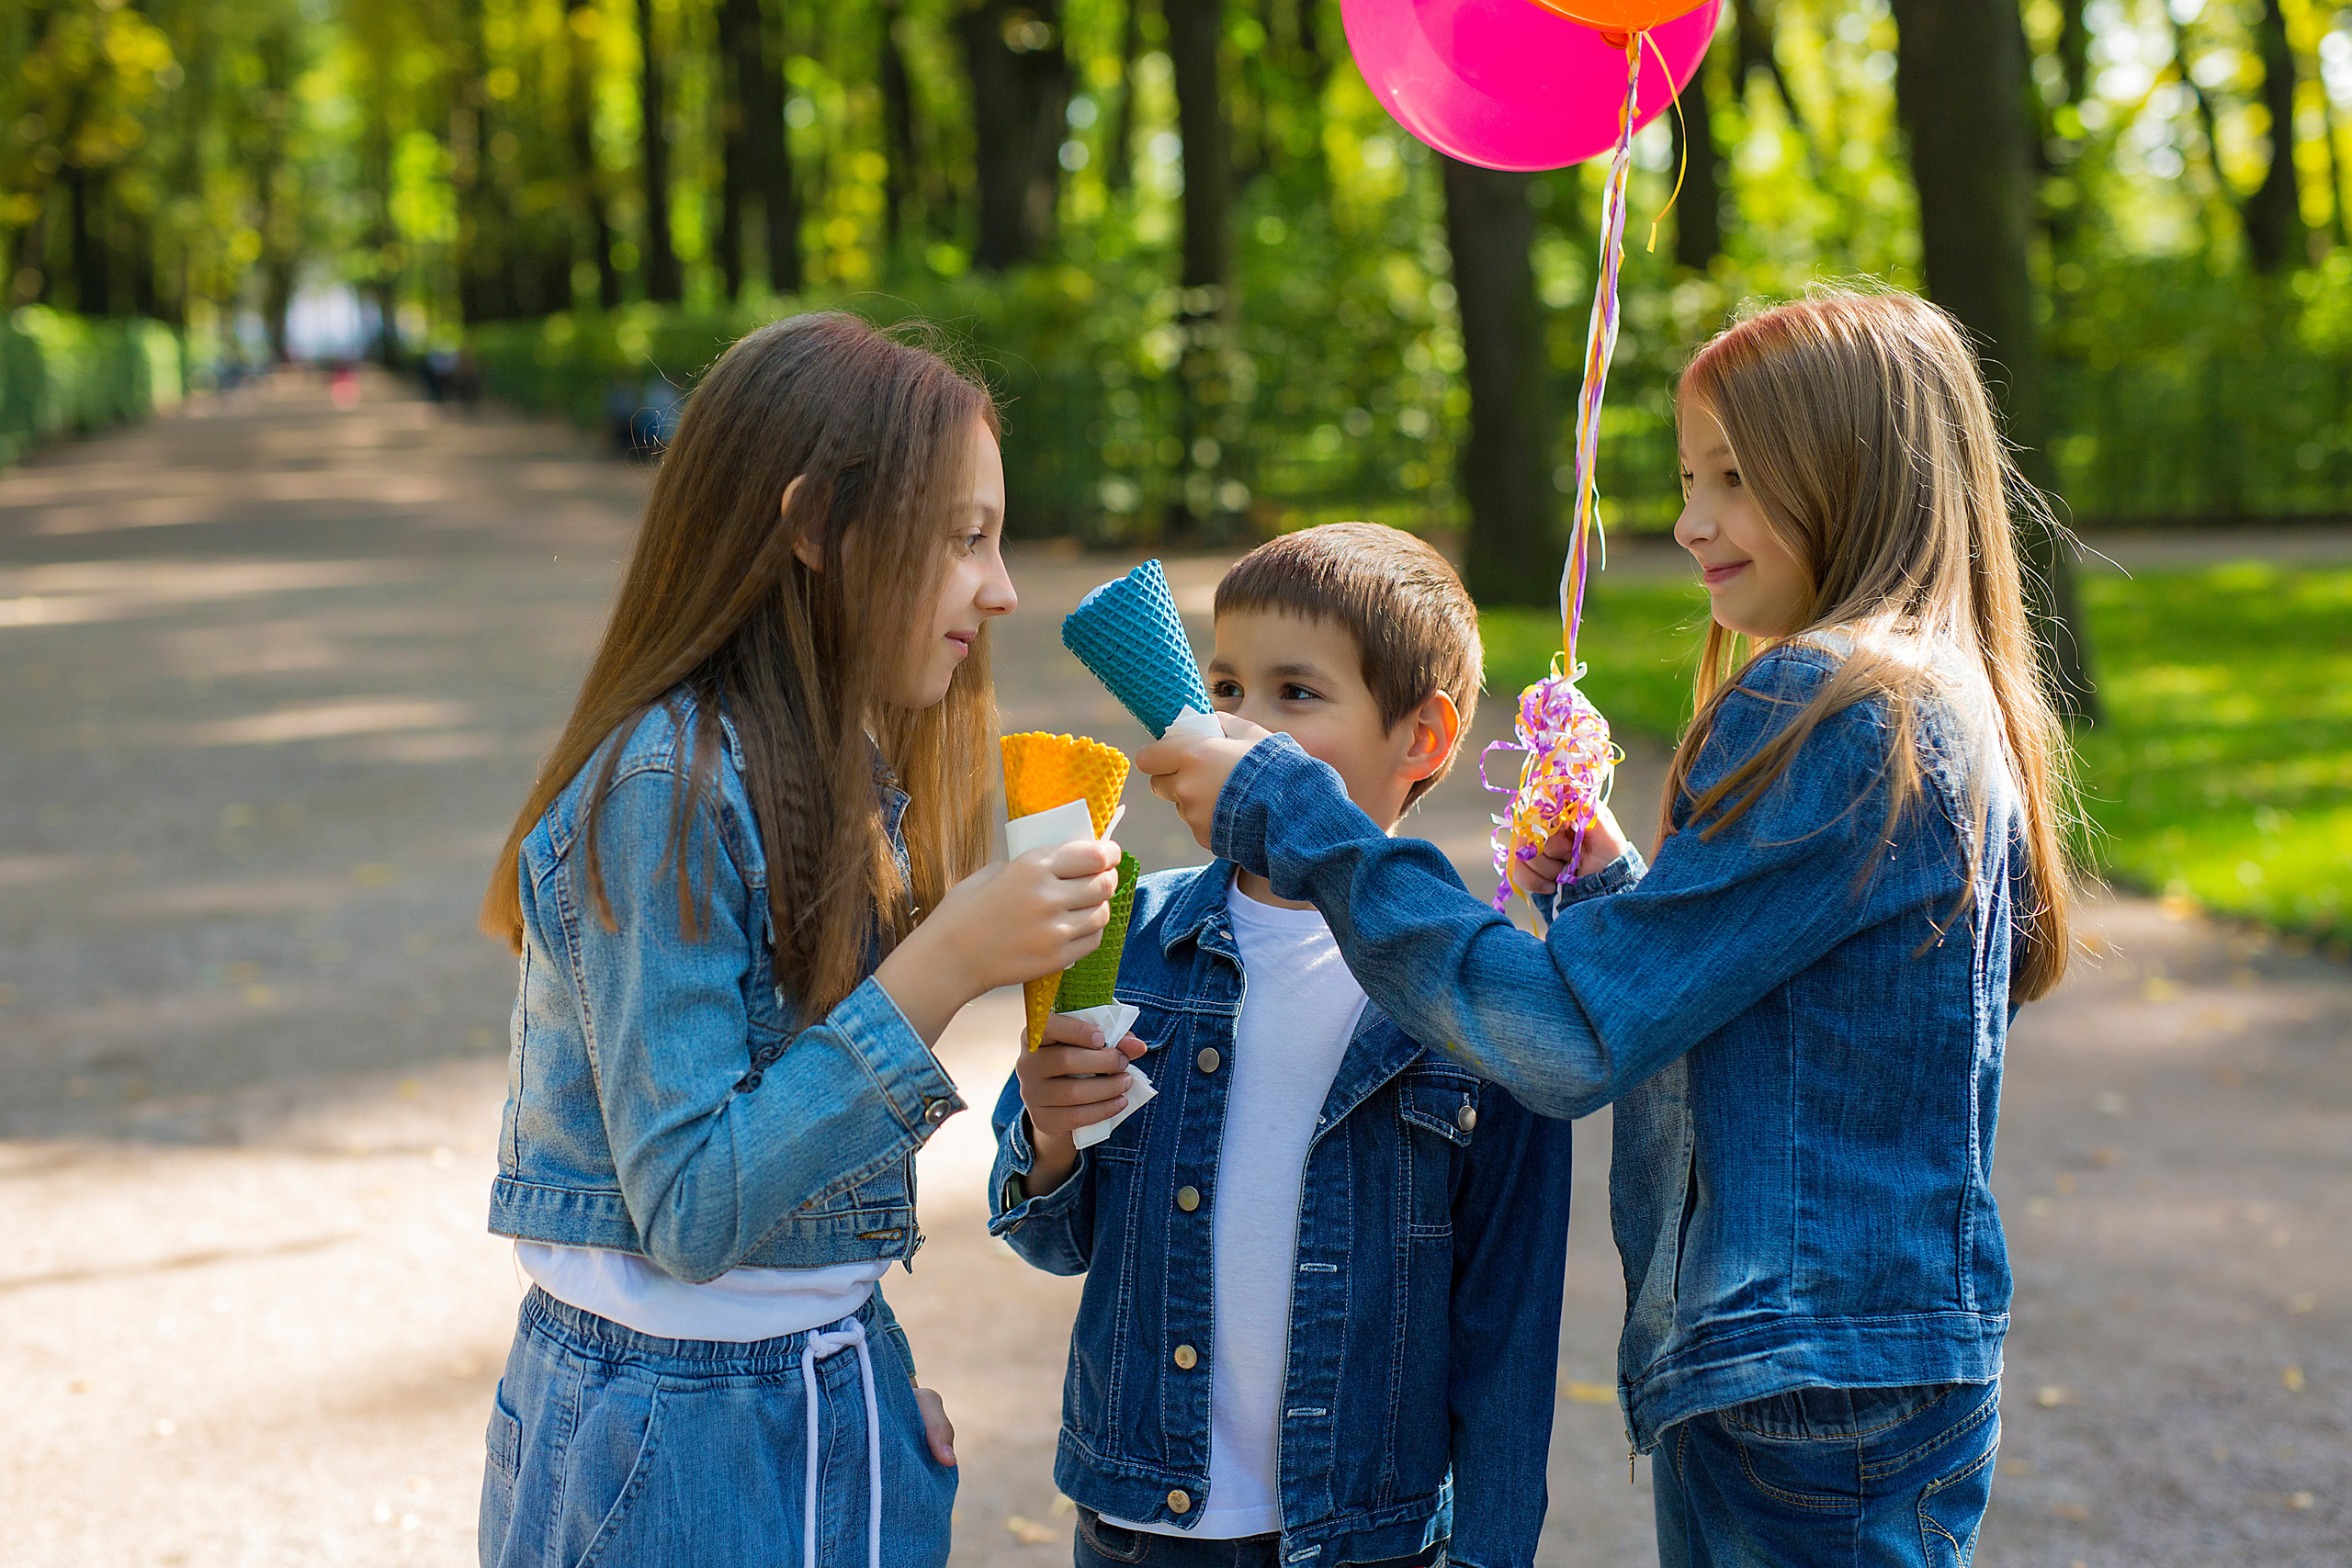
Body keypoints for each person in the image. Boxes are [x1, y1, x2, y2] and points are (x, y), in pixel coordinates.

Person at [1137, 289, 2079, 1566]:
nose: (1692, 521)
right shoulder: (1935, 698)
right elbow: (1784, 1008)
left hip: (1800, 1381)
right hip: (1870, 1359)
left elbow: (1566, 1040)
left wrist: (1295, 813)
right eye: (1691, 476)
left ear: (1859, 468)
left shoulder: (1832, 700)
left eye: (1737, 477)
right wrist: (1602, 890)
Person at [474, 312, 1122, 1568]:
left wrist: (858, 1373)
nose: (1002, 588)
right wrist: (943, 964)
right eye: (967, 538)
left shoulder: (841, 778)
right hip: (668, 1435)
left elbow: (795, 1202)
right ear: (817, 526)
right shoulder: (662, 786)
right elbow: (694, 1206)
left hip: (821, 1400)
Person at [993, 523, 1576, 1568]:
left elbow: (1508, 1327)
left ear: (1423, 740)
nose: (1238, 730)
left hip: (1364, 1538)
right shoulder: (1127, 934)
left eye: (1294, 695)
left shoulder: (1488, 995)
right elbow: (1052, 1239)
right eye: (1223, 691)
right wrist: (1047, 1137)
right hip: (1140, 1528)